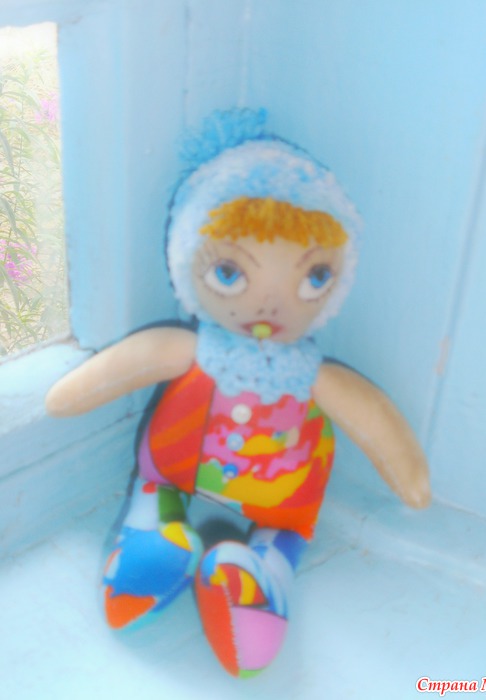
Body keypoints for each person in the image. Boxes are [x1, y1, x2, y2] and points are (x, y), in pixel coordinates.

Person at [46, 110, 430, 677]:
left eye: (312, 278)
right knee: (156, 485)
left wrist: (411, 481)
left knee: (286, 528)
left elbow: (374, 422)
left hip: (283, 497)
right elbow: (104, 377)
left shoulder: (315, 377)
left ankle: (261, 576)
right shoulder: (187, 350)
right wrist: (63, 398)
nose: (270, 305)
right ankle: (154, 533)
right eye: (230, 272)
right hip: (175, 468)